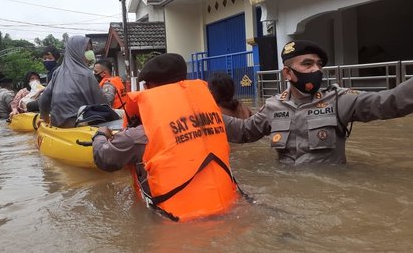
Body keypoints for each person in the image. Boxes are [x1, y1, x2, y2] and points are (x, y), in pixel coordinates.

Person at [92, 53, 242, 222]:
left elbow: (104, 158)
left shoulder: (141, 134)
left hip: (176, 226)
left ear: (151, 87)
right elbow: (245, 130)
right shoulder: (213, 118)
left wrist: (100, 135)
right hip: (229, 211)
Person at [223, 39, 413, 165]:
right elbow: (244, 131)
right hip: (288, 193)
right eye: (307, 64)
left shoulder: (340, 100)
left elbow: (390, 102)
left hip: (331, 198)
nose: (317, 70)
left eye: (319, 64)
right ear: (288, 73)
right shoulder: (273, 106)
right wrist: (202, 115)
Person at [39, 35, 107, 128]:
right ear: (76, 52)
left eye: (90, 49)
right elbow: (103, 103)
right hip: (79, 124)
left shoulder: (57, 72)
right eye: (86, 50)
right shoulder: (86, 74)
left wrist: (45, 118)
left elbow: (44, 99)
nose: (90, 53)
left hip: (57, 123)